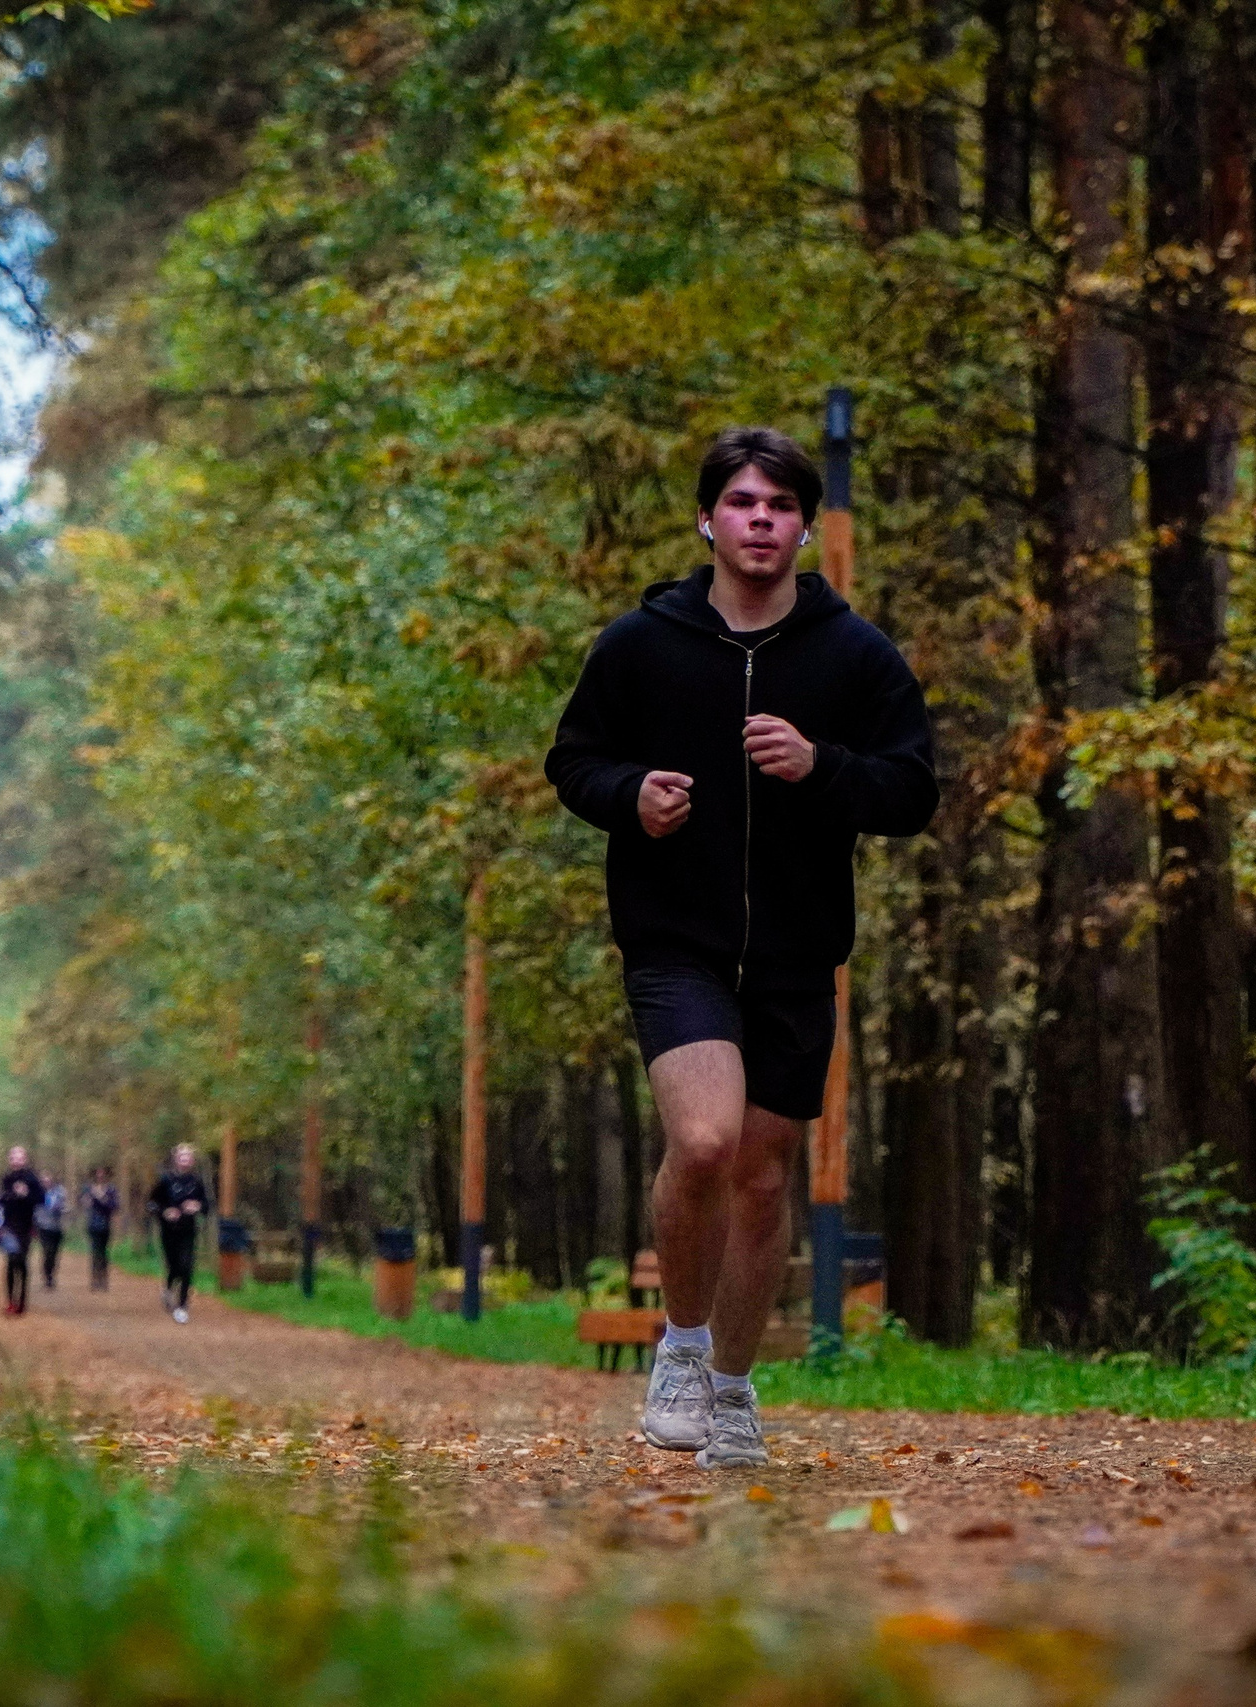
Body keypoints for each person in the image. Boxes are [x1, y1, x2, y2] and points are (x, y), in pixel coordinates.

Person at [544, 426, 938, 1469]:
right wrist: (631, 796)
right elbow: (574, 761)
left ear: (803, 527)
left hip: (800, 950)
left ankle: (729, 1386)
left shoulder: (854, 655)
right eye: (743, 503)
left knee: (763, 1175)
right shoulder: (641, 644)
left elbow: (912, 790)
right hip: (676, 937)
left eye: (779, 506)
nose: (760, 520)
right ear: (707, 521)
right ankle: (678, 1351)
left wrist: (823, 767)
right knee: (707, 1141)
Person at [148, 1145, 209, 1323]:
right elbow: (151, 1204)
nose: (185, 1159)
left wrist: (197, 1206)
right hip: (169, 1232)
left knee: (187, 1267)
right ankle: (167, 1288)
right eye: (182, 1156)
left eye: (188, 1156)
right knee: (174, 1266)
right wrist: (166, 1212)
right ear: (176, 1159)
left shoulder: (196, 1182)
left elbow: (206, 1205)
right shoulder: (165, 1180)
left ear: (192, 1161)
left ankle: (182, 1306)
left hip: (188, 1231)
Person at [0, 1145, 41, 1315]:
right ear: (9, 1160)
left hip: (27, 1226)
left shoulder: (32, 1178)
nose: (16, 1160)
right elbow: (2, 1198)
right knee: (11, 1261)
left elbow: (40, 1199)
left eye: (20, 1157)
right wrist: (8, 1197)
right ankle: (10, 1302)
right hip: (9, 1227)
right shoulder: (7, 1178)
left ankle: (21, 1303)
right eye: (13, 1157)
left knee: (21, 1262)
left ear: (25, 1159)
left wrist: (26, 1195)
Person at [84, 1165, 120, 1289]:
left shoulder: (111, 1189)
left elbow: (114, 1206)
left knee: (104, 1252)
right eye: (98, 1173)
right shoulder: (89, 1188)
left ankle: (103, 1278)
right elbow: (84, 1202)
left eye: (102, 1173)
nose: (100, 1176)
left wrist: (102, 1198)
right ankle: (95, 1279)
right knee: (95, 1252)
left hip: (105, 1225)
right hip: (93, 1224)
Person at [35, 1173, 67, 1290]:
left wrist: (61, 1208)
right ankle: (47, 1277)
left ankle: (51, 1274)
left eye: (48, 1180)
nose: (46, 1183)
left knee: (54, 1253)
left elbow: (63, 1206)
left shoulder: (60, 1192)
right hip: (43, 1227)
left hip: (57, 1227)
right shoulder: (38, 1194)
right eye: (44, 1181)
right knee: (47, 1251)